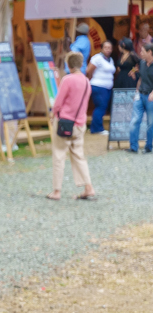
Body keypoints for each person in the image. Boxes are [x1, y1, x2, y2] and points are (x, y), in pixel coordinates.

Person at [49, 52, 96, 202]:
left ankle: (57, 191)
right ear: (81, 64)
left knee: (59, 155)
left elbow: (59, 102)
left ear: (68, 65)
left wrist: (52, 114)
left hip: (64, 122)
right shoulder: (87, 82)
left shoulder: (67, 80)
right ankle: (88, 187)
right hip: (80, 123)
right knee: (79, 155)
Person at [86, 41, 115, 135]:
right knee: (100, 106)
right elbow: (88, 70)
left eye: (109, 48)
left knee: (103, 107)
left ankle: (97, 127)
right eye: (106, 47)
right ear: (101, 48)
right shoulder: (97, 58)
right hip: (98, 86)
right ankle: (97, 128)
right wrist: (91, 79)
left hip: (107, 87)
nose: (108, 49)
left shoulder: (110, 59)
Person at [130, 42, 153, 153]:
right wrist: (136, 92)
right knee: (135, 120)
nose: (140, 53)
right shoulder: (142, 63)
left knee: (150, 123)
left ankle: (148, 147)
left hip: (151, 96)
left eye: (142, 51)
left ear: (150, 52)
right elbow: (140, 78)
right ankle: (133, 147)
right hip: (141, 94)